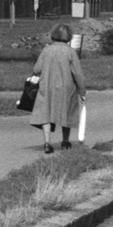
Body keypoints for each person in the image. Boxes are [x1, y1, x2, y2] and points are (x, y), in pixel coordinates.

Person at [31, 23, 86, 154]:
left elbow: (36, 69)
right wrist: (82, 91)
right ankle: (65, 141)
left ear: (53, 35)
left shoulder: (46, 50)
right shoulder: (70, 52)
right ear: (69, 37)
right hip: (66, 87)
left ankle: (47, 143)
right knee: (66, 112)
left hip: (47, 86)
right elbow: (78, 74)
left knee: (46, 113)